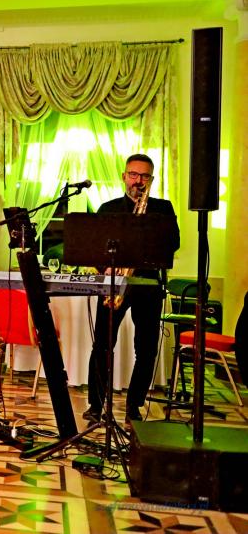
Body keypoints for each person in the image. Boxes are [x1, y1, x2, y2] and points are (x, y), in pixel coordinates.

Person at [83, 153, 180, 424]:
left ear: (151, 179)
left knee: (147, 349)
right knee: (103, 345)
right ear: (124, 176)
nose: (138, 181)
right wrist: (105, 267)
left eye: (144, 176)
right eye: (134, 175)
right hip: (114, 283)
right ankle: (95, 405)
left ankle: (134, 405)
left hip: (148, 284)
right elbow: (94, 246)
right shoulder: (108, 208)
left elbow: (173, 243)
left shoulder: (163, 208)